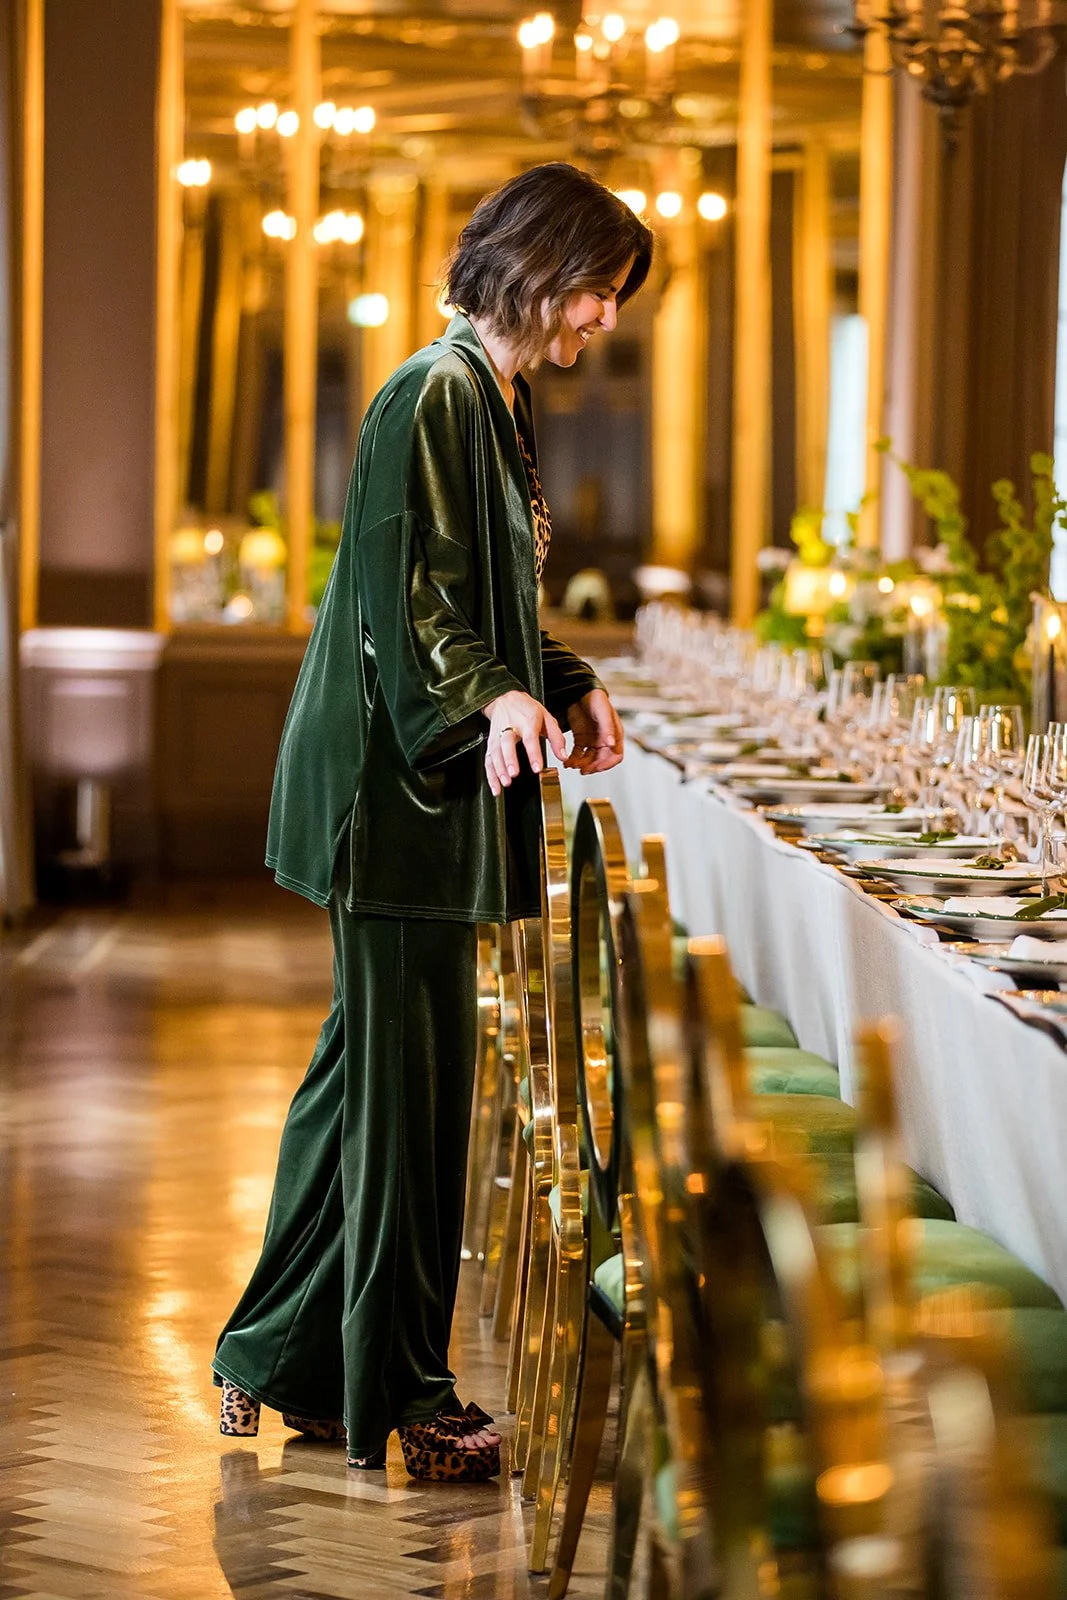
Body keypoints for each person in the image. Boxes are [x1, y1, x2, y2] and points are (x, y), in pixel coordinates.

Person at [212, 162, 653, 1483]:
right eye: (596, 288)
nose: (603, 321)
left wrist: (555, 678)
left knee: (367, 1084)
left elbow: (470, 597)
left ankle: (277, 1356)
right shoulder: (431, 391)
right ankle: (397, 1383)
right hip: (391, 802)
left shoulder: (487, 395)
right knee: (406, 1100)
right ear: (535, 266)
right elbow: (409, 605)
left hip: (421, 789)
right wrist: (490, 697)